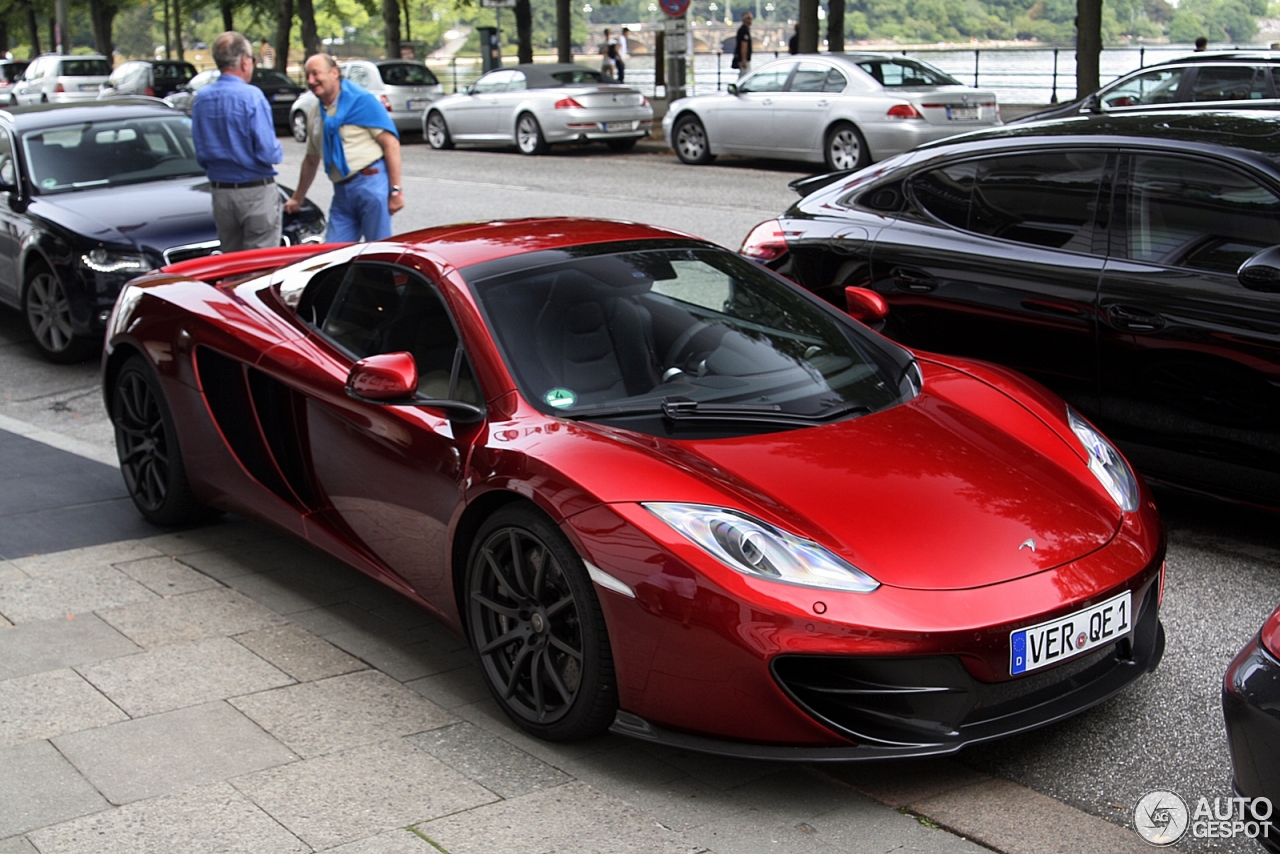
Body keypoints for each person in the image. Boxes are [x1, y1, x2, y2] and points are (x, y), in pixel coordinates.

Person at [284, 54, 404, 243]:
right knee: (333, 254)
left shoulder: (361, 101)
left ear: (334, 73)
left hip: (370, 183)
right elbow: (311, 159)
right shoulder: (316, 112)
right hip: (341, 191)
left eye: (315, 74)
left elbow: (391, 144)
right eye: (307, 76)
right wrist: (297, 198)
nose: (311, 81)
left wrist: (396, 191)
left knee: (378, 252)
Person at [191, 31, 284, 253]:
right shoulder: (252, 96)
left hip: (221, 192)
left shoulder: (202, 98)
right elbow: (268, 153)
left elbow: (201, 151)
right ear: (244, 61)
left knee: (231, 262)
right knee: (260, 266)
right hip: (255, 190)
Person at [733, 12, 753, 79]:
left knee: (743, 75)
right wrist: (744, 60)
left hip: (742, 59)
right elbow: (743, 46)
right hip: (744, 59)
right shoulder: (744, 31)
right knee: (745, 76)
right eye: (749, 18)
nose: (750, 20)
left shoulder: (743, 29)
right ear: (744, 20)